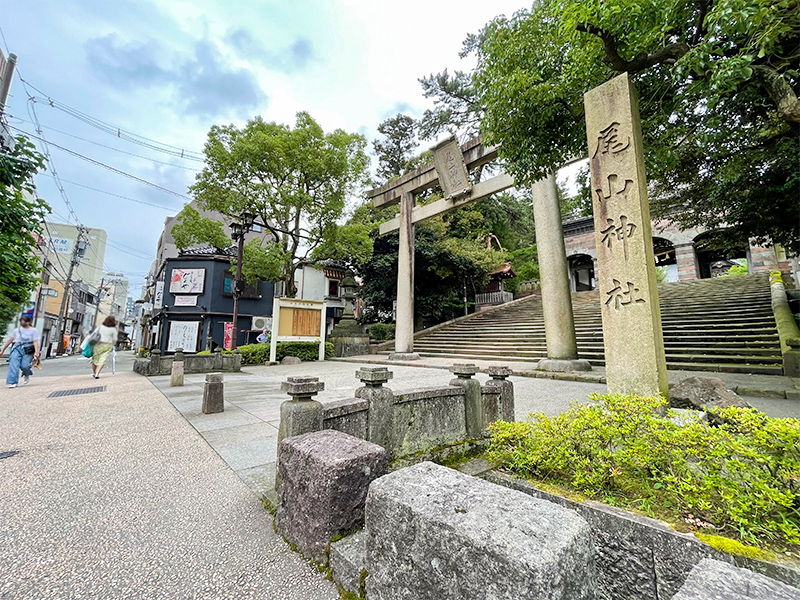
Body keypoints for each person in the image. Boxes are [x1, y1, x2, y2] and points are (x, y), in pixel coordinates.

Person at [0, 316, 40, 388]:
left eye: (24, 322)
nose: (22, 323)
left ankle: (26, 373)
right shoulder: (16, 331)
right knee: (13, 364)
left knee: (25, 365)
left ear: (28, 322)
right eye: (21, 322)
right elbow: (10, 340)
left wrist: (36, 352)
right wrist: (2, 350)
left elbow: (35, 341)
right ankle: (13, 382)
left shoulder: (33, 331)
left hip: (28, 348)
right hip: (17, 347)